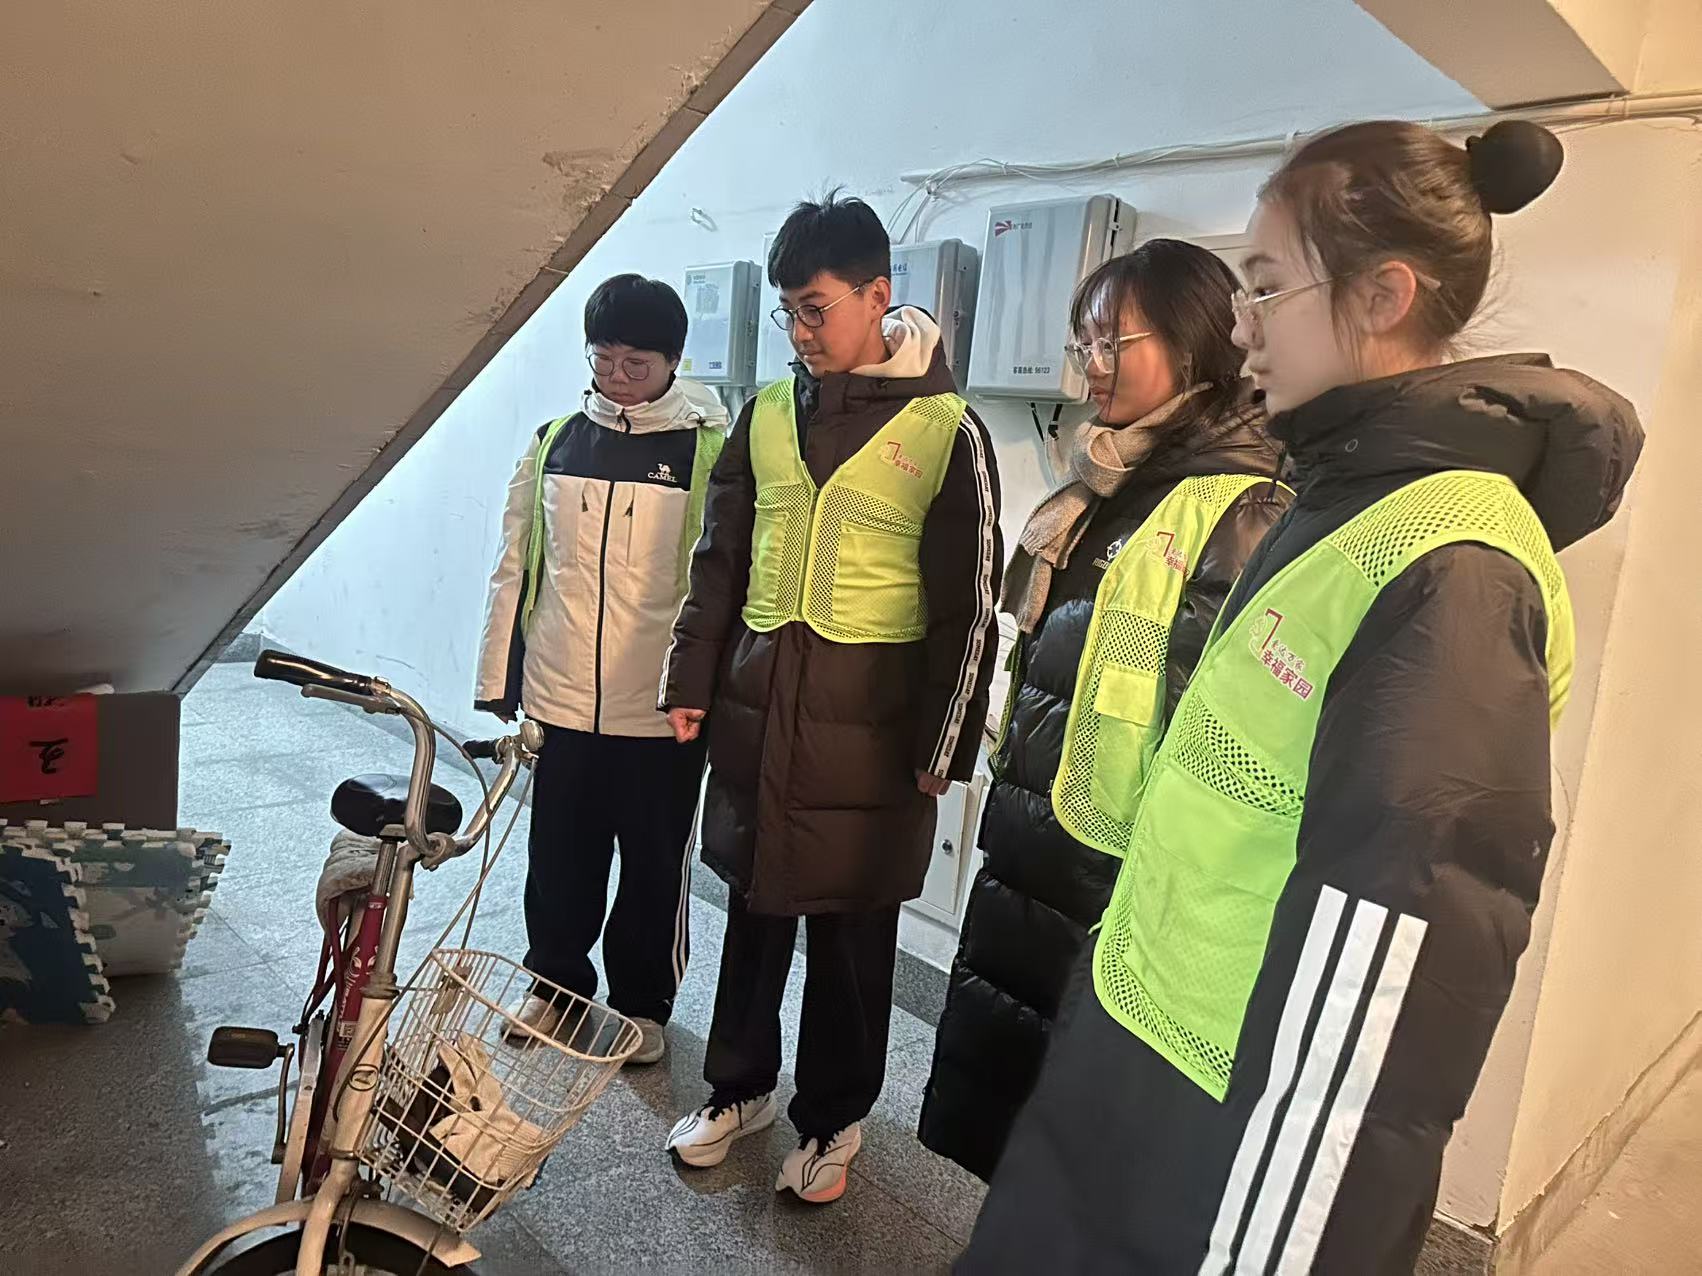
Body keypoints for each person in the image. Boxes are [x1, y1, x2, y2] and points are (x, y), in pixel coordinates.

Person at [960, 119, 1643, 1273]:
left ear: (1381, 294)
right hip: (1142, 1028)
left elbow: (1384, 986)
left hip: (1229, 1104)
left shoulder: (1453, 568)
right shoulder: (1335, 497)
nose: (1240, 325)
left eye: (1267, 284)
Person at [917, 239, 1292, 1182]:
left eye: (1111, 342)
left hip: (1117, 880)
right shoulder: (1108, 488)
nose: (1089, 365)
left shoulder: (1240, 507)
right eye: (1082, 342)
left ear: (1195, 344)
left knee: (1078, 1143)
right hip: (1044, 843)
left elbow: (1211, 728)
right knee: (1020, 1117)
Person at [659, 192, 1002, 1204]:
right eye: (788, 313)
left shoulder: (947, 430)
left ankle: (834, 1118)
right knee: (753, 913)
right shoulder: (766, 416)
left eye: (816, 309)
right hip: (758, 717)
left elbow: (971, 607)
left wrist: (945, 742)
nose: (800, 333)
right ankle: (738, 1090)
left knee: (853, 943)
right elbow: (719, 562)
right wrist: (691, 680)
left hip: (873, 739)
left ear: (877, 295)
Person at [475, 273, 729, 1065]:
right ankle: (553, 987)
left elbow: (724, 585)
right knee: (558, 860)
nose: (617, 377)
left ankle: (642, 1005)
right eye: (604, 359)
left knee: (654, 867)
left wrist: (706, 692)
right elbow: (516, 564)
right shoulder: (556, 442)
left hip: (660, 708)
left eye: (636, 364)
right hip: (559, 697)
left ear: (673, 362)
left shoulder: (707, 452)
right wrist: (499, 680)